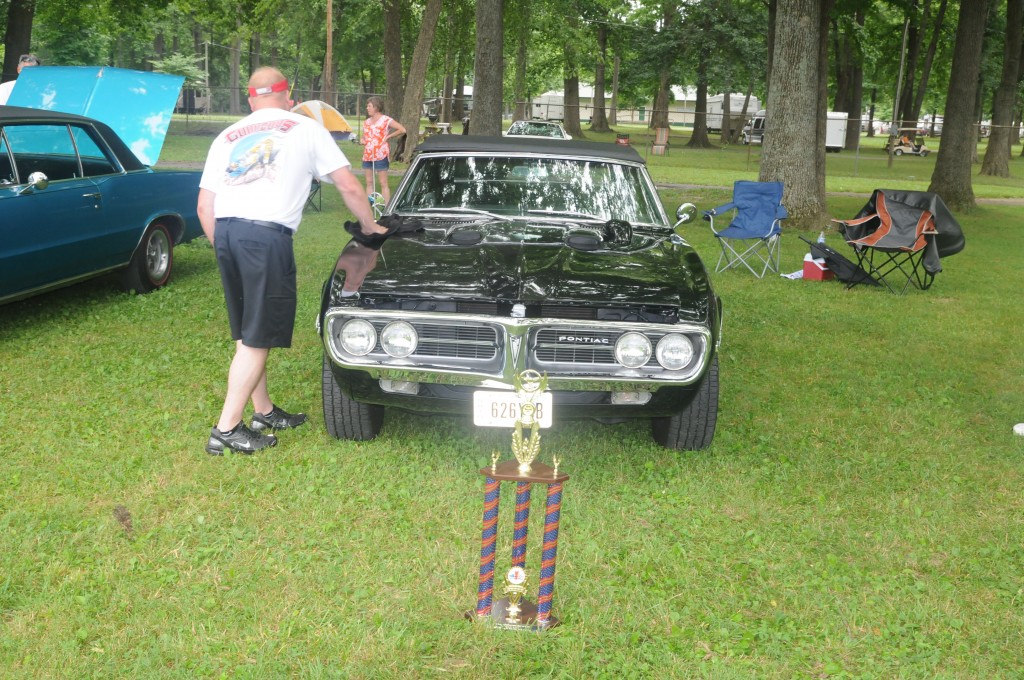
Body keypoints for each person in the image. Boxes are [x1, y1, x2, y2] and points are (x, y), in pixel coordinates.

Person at [197, 66, 392, 456]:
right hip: (264, 238)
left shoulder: (227, 135)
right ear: (289, 97)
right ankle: (226, 429)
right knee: (257, 338)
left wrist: (228, 246)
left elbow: (204, 205)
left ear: (252, 99)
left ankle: (263, 411)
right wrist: (372, 228)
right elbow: (350, 185)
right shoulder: (305, 129)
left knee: (245, 332)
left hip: (225, 233)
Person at [360, 96, 406, 206]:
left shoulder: (386, 120)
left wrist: (388, 136)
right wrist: (362, 140)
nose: (367, 108)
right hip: (368, 155)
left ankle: (386, 208)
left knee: (383, 182)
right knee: (369, 182)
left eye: (369, 106)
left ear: (376, 107)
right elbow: (364, 136)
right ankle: (371, 206)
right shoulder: (366, 122)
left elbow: (402, 129)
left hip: (380, 154)